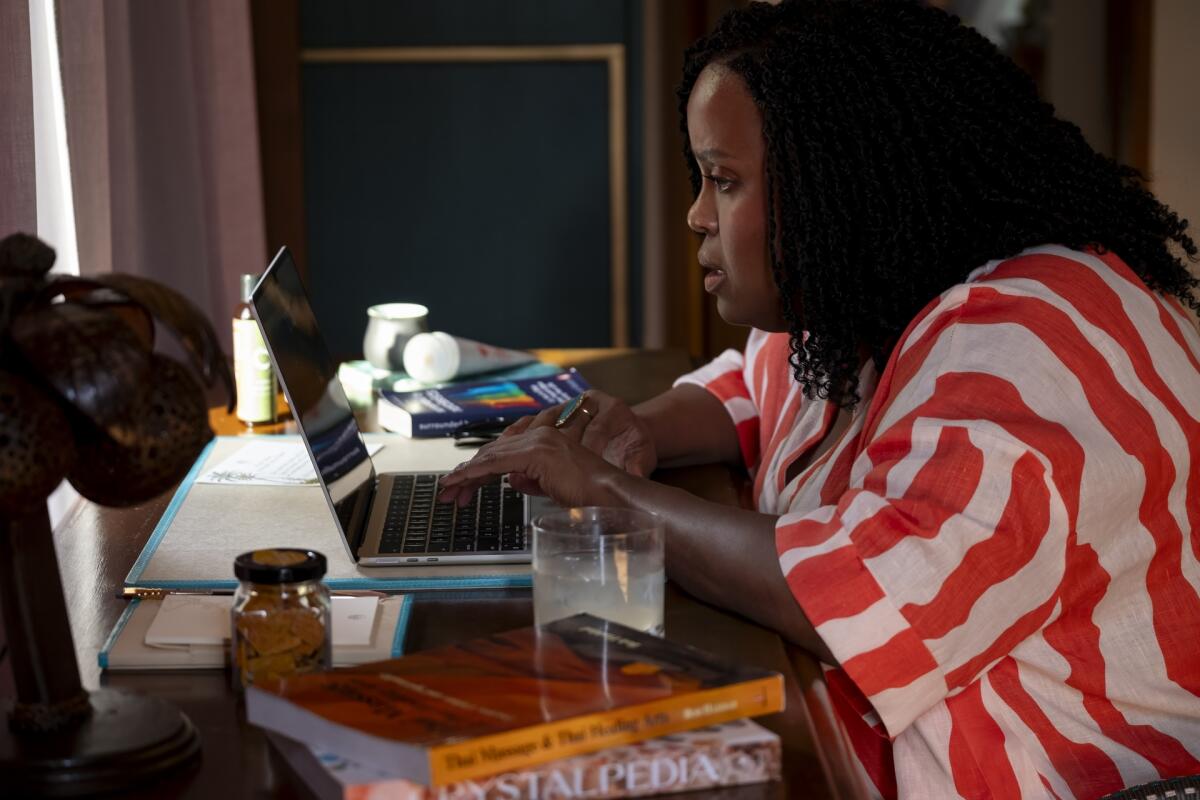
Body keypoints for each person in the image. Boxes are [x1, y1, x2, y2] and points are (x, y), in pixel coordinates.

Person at [438, 1, 1200, 796]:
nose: (698, 214)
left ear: (841, 179)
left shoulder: (1029, 343)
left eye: (724, 181)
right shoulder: (869, 294)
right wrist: (642, 429)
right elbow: (757, 388)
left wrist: (608, 492)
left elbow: (866, 596)